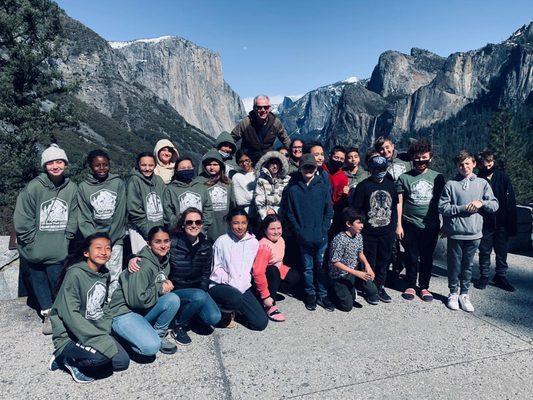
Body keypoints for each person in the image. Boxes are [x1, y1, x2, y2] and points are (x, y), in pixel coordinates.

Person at [14, 144, 78, 335]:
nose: (55, 166)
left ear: (65, 164)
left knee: (57, 280)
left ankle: (61, 314)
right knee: (38, 279)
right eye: (50, 162)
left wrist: (67, 237)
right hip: (35, 247)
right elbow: (22, 218)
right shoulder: (34, 187)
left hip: (58, 246)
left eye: (59, 161)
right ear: (45, 166)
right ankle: (48, 314)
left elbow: (73, 214)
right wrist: (31, 243)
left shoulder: (71, 188)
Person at [48, 233, 130, 383]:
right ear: (86, 253)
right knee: (100, 358)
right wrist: (98, 337)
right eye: (98, 248)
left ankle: (83, 354)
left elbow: (102, 305)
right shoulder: (75, 274)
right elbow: (70, 314)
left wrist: (105, 327)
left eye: (108, 248)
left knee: (121, 362)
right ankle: (65, 358)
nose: (104, 252)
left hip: (93, 330)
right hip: (71, 335)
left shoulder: (104, 274)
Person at [439, 150, 498, 312]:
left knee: (468, 265)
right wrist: (463, 208)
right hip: (455, 233)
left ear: (473, 164)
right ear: (457, 167)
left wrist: (481, 202)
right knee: (454, 265)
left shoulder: (482, 184)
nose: (464, 167)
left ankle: (464, 294)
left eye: (467, 163)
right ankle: (453, 292)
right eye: (461, 164)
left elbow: (494, 205)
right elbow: (442, 207)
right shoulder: (451, 184)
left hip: (474, 233)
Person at [110, 226, 179, 355]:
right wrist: (160, 288)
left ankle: (158, 335)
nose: (163, 245)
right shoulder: (143, 265)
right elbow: (136, 301)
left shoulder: (164, 261)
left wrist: (164, 284)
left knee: (173, 299)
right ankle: (121, 335)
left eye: (166, 241)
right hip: (124, 312)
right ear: (149, 244)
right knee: (150, 348)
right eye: (157, 242)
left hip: (140, 310)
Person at [396, 139, 445, 301]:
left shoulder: (438, 177)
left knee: (427, 257)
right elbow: (400, 202)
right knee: (411, 255)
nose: (420, 161)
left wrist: (445, 223)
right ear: (412, 158)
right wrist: (398, 225)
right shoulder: (404, 178)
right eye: (417, 158)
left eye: (424, 157)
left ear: (430, 158)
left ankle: (424, 287)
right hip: (409, 223)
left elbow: (443, 202)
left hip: (431, 224)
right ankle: (410, 284)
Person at [284, 154, 334, 312]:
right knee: (307, 268)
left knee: (321, 266)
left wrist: (324, 228)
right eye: (306, 167)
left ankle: (323, 294)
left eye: (312, 167)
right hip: (303, 237)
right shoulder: (292, 190)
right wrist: (299, 231)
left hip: (321, 236)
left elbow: (329, 210)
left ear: (316, 168)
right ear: (300, 168)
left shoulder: (323, 187)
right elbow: (290, 213)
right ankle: (310, 294)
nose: (309, 170)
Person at [77, 150, 126, 299]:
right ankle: (95, 301)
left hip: (115, 238)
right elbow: (85, 216)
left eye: (105, 165)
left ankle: (112, 303)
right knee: (96, 272)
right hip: (94, 239)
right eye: (97, 165)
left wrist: (109, 240)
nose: (102, 168)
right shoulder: (84, 187)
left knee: (114, 273)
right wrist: (95, 240)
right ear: (90, 167)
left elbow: (120, 213)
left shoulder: (117, 183)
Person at [168, 208, 221, 344]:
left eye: (198, 222)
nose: (194, 225)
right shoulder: (172, 243)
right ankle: (178, 325)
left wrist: (202, 290)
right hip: (176, 290)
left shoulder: (206, 245)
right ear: (183, 224)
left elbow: (205, 273)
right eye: (189, 222)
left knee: (213, 318)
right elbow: (153, 249)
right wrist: (133, 257)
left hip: (197, 290)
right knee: (199, 296)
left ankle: (192, 313)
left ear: (202, 224)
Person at [208, 208, 268, 331]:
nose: (240, 227)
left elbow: (253, 268)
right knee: (234, 297)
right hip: (222, 285)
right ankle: (223, 311)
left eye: (243, 223)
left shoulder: (253, 242)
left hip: (243, 288)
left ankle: (236, 311)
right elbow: (215, 270)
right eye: (236, 223)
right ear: (230, 223)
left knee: (260, 323)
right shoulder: (222, 241)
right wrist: (231, 281)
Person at [350, 151, 398, 304]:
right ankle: (369, 288)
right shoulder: (363, 186)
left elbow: (394, 207)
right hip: (369, 233)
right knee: (369, 261)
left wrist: (394, 227)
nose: (379, 172)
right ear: (371, 169)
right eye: (376, 169)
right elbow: (356, 210)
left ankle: (380, 286)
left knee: (384, 261)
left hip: (387, 231)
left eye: (382, 169)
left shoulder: (391, 185)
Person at [476, 150, 517, 292]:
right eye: (484, 165)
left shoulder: (503, 177)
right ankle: (484, 276)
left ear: (493, 162)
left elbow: (510, 201)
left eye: (490, 164)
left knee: (502, 251)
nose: (488, 168)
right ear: (479, 165)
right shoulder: (477, 179)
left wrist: (511, 223)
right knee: (484, 250)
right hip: (484, 222)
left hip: (502, 221)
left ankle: (501, 275)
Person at [374, 136, 411, 278]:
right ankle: (396, 267)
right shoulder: (379, 164)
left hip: (408, 204)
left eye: (387, 147)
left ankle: (409, 272)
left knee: (408, 240)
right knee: (393, 239)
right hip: (389, 205)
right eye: (381, 149)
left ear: (393, 146)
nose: (385, 151)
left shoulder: (405, 159)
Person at [252, 215, 300, 322]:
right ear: (265, 230)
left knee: (294, 277)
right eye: (272, 229)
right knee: (273, 271)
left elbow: (279, 260)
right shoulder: (264, 247)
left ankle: (273, 289)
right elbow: (258, 272)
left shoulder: (280, 240)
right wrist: (265, 296)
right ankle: (269, 305)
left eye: (278, 228)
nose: (276, 232)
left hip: (275, 271)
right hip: (262, 276)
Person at [329, 208, 379, 310]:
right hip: (339, 276)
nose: (362, 226)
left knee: (373, 290)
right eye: (359, 223)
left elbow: (360, 253)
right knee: (347, 307)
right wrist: (356, 273)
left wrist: (368, 266)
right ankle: (331, 291)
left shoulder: (358, 236)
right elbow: (334, 261)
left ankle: (351, 290)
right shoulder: (340, 239)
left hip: (352, 273)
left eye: (362, 223)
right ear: (348, 224)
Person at [231, 94, 292, 164]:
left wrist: (293, 156)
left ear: (269, 108)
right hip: (248, 163)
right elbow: (232, 138)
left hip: (268, 163)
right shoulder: (246, 123)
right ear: (254, 108)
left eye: (266, 107)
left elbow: (285, 140)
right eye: (259, 107)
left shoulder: (275, 123)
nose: (263, 110)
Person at [126, 152, 166, 253]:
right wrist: (149, 233)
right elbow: (134, 211)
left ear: (155, 165)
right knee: (142, 259)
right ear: (138, 165)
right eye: (143, 165)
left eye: (151, 165)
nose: (147, 168)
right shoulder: (134, 181)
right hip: (140, 231)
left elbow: (165, 204)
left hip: (159, 229)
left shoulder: (159, 181)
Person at [163, 156, 213, 233]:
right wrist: (179, 227)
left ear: (193, 168)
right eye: (182, 168)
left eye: (189, 167)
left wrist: (202, 228)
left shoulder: (201, 187)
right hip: (179, 232)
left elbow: (208, 209)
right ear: (176, 170)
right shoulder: (170, 189)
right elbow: (168, 213)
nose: (186, 170)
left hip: (199, 231)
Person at [196, 150, 234, 242]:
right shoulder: (199, 182)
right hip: (207, 226)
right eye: (209, 165)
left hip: (224, 225)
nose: (212, 167)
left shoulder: (228, 182)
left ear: (221, 166)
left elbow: (233, 204)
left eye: (215, 164)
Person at [253, 151, 291, 220]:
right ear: (267, 164)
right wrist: (266, 217)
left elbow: (288, 201)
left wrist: (276, 211)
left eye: (277, 163)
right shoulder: (261, 181)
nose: (275, 166)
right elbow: (258, 202)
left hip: (282, 217)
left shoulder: (287, 180)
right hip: (265, 218)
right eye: (272, 163)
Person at [322, 146, 349, 236]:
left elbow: (338, 199)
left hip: (331, 211)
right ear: (330, 156)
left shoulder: (343, 178)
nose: (338, 161)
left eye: (342, 159)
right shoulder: (321, 168)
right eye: (336, 157)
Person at [231, 150, 256, 215]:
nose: (244, 164)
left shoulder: (260, 174)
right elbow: (240, 201)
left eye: (246, 160)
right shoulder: (237, 177)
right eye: (241, 162)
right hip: (247, 214)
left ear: (251, 160)